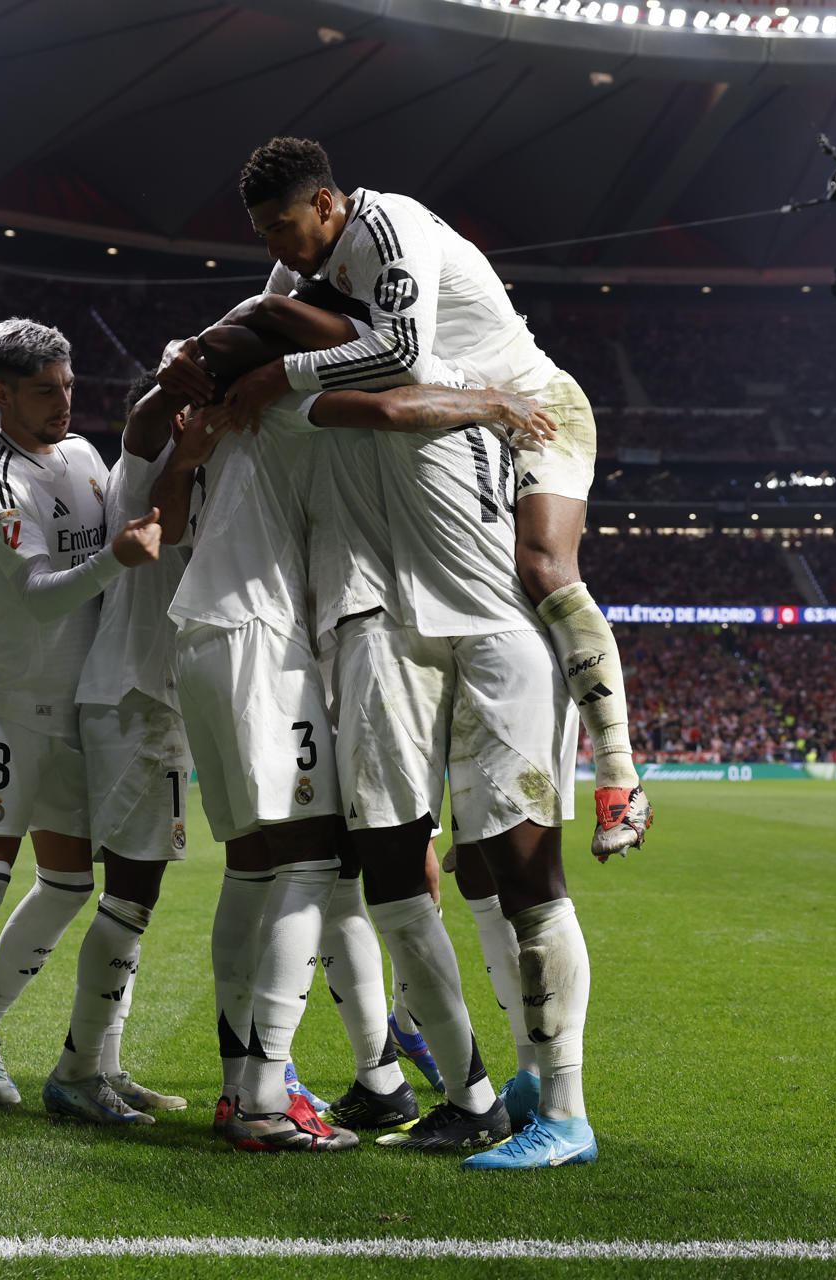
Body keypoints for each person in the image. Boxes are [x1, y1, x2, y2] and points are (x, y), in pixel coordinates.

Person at [158, 136, 651, 861]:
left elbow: (404, 356)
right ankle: (481, 796)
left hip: (534, 406)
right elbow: (257, 315)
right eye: (261, 232)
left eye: (281, 228)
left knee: (542, 568)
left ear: (324, 203)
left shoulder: (390, 228)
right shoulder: (304, 256)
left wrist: (282, 376)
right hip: (458, 426)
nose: (274, 244)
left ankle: (619, 775)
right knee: (450, 601)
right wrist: (185, 348)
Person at [200, 290, 594, 1168]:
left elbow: (372, 388)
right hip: (421, 629)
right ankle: (485, 1088)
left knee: (435, 872)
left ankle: (512, 1099)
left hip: (386, 626)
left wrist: (263, 349)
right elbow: (382, 383)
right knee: (463, 868)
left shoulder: (327, 400)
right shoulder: (465, 384)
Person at [0, 318, 163, 1146]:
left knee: (66, 888)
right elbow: (40, 593)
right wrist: (118, 559)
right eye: (45, 391)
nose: (64, 403)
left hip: (77, 706)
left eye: (68, 386)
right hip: (1, 706)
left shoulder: (85, 456)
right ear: (1, 393)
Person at [41, 374, 196, 1120]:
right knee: (132, 893)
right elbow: (141, 426)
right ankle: (76, 1072)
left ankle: (103, 1065)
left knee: (138, 894)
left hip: (146, 702)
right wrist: (179, 383)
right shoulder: (143, 466)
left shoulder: (181, 473)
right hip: (135, 702)